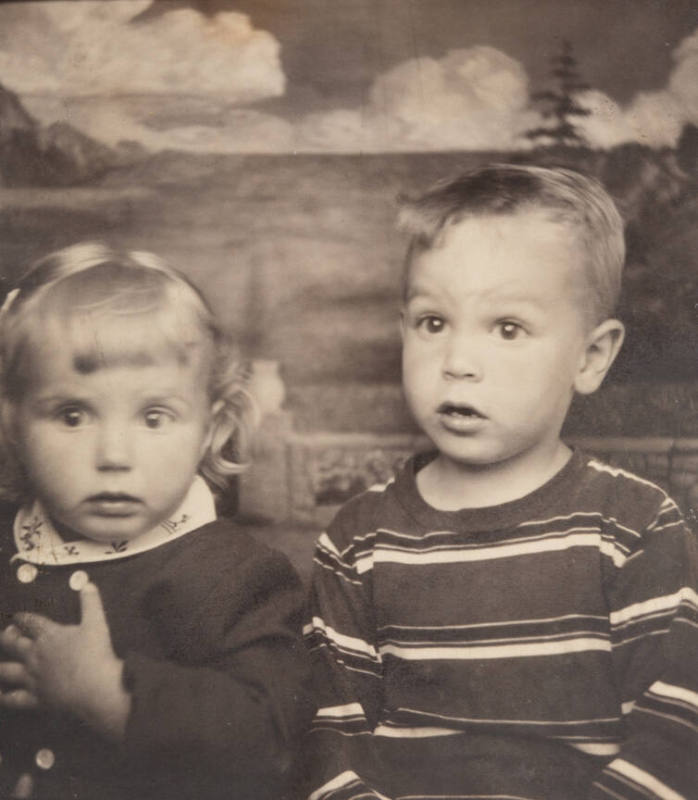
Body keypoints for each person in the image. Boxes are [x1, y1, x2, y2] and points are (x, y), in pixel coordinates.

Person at [303, 165, 698, 800]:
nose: (457, 363)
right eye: (433, 323)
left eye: (507, 328)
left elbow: (678, 733)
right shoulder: (357, 541)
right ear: (403, 329)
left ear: (590, 357)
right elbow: (328, 735)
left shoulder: (634, 526)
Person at [0, 243, 314, 800]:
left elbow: (270, 744)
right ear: (13, 423)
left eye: (153, 417)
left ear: (210, 430)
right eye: (72, 415)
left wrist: (109, 698)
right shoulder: (12, 540)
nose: (114, 455)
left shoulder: (235, 577)